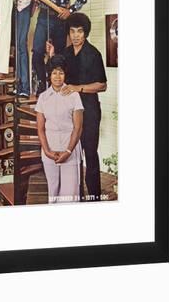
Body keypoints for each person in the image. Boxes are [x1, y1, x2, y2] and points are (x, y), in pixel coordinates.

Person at [47, 12, 107, 200]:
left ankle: (95, 197)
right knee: (71, 155)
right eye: (72, 31)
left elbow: (102, 85)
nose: (75, 36)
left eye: (80, 32)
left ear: (85, 33)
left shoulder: (94, 53)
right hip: (69, 113)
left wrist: (77, 88)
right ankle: (77, 197)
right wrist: (51, 57)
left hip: (89, 111)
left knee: (90, 154)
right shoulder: (64, 53)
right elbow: (55, 74)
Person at [36, 55, 84, 203]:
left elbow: (78, 128)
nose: (57, 76)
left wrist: (68, 151)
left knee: (69, 196)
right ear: (49, 74)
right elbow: (41, 129)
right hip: (49, 152)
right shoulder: (43, 98)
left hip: (69, 150)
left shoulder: (74, 96)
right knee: (53, 194)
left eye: (61, 72)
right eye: (54, 72)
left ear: (65, 74)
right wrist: (47, 151)